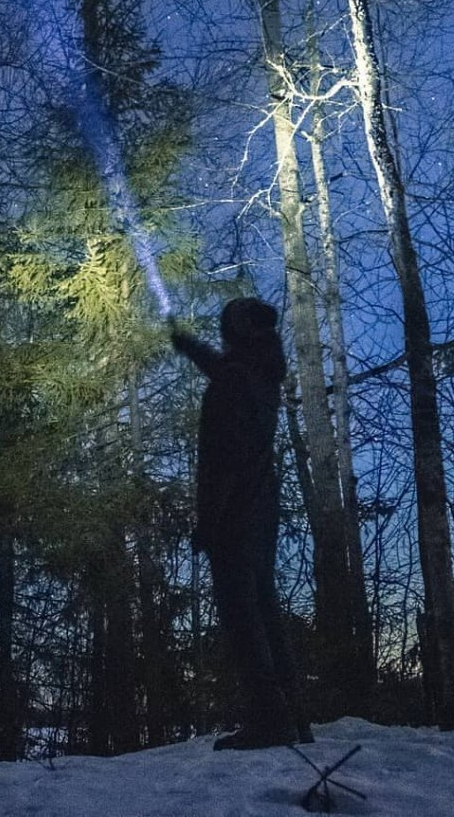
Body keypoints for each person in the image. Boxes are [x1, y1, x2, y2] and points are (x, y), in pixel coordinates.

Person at [170, 297, 311, 750]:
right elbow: (228, 372)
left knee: (242, 617)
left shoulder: (235, 381)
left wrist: (209, 522)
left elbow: (221, 461)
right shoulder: (259, 373)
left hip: (234, 512)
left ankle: (271, 720)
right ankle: (295, 717)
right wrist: (192, 349)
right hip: (261, 508)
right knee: (264, 609)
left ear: (237, 332)